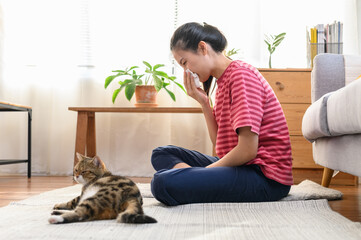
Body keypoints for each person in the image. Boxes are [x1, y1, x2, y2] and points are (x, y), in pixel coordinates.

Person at [150, 22, 293, 206]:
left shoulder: (242, 76)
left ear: (202, 48)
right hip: (243, 167)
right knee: (161, 154)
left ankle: (193, 182)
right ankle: (194, 182)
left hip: (265, 177)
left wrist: (204, 173)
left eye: (185, 62)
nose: (186, 71)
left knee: (162, 183)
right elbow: (221, 145)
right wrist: (204, 103)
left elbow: (248, 150)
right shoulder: (222, 81)